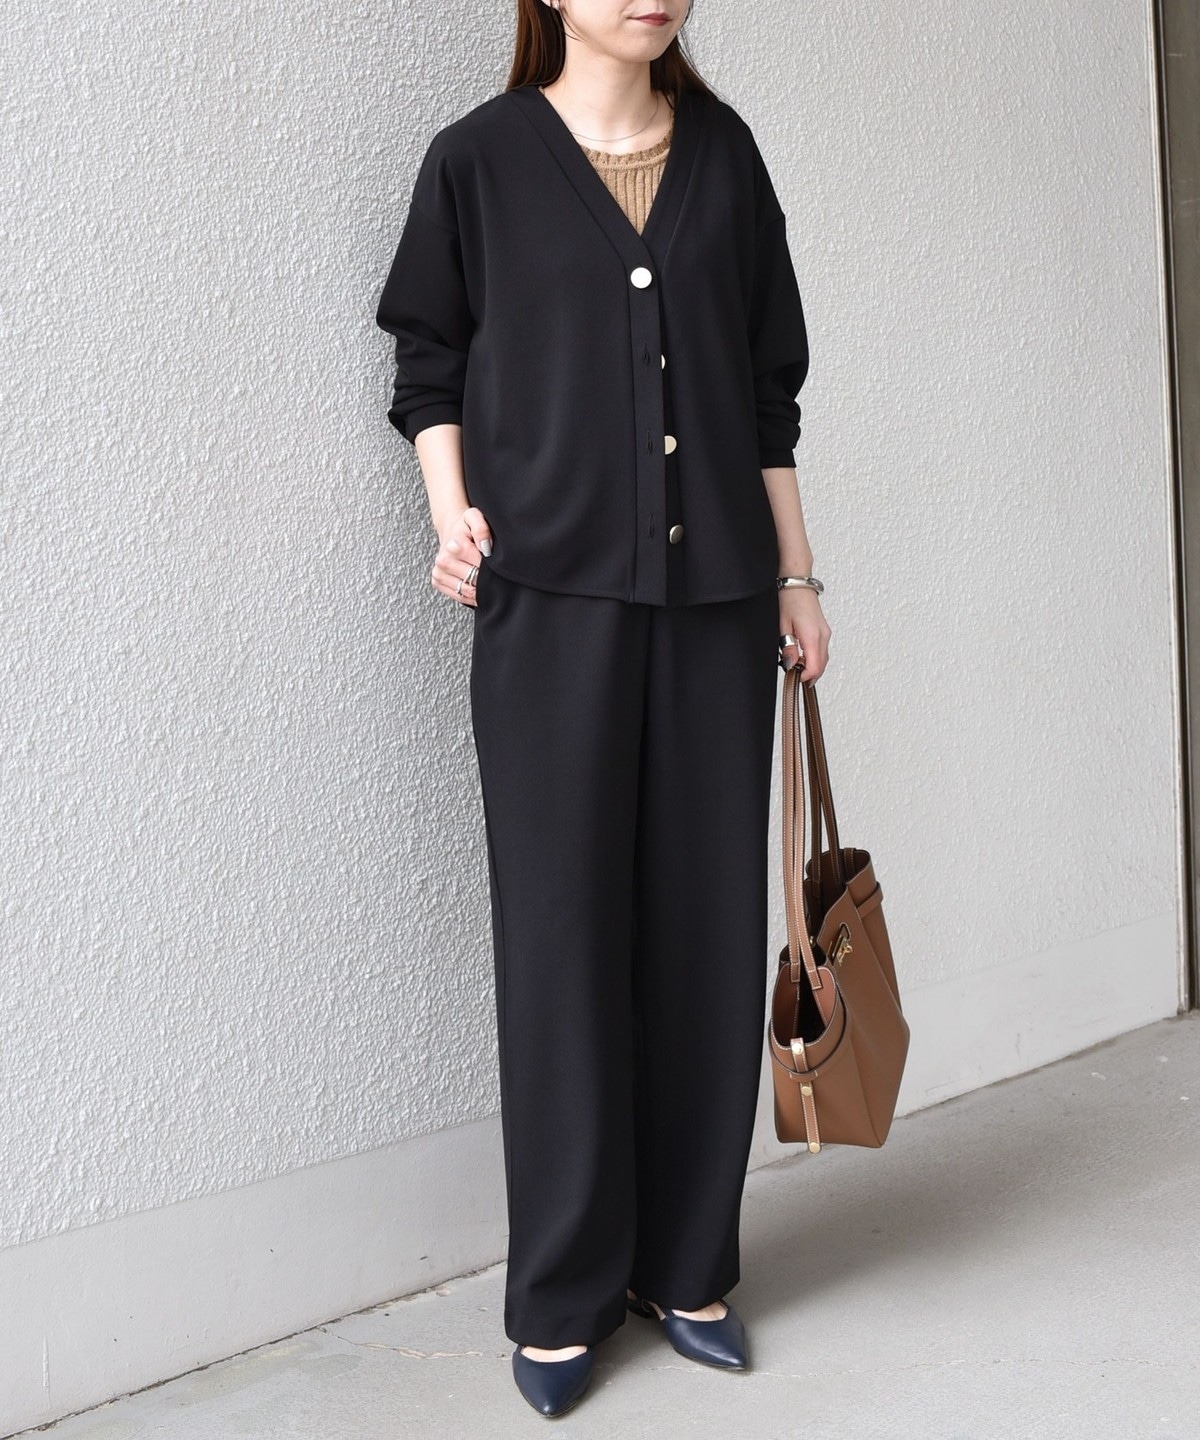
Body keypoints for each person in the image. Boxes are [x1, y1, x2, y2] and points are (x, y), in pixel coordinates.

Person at [375, 0, 830, 1418]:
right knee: (562, 941)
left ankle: (687, 1269)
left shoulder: (727, 156)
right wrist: (451, 518)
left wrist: (797, 575)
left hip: (717, 607)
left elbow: (765, 394)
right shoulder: (478, 161)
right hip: (548, 608)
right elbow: (429, 364)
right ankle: (565, 1293)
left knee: (704, 938)